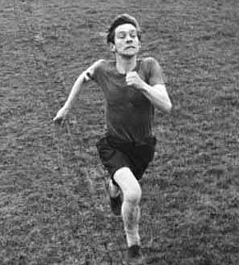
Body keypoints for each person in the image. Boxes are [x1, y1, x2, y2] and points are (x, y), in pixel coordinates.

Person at [53, 14, 172, 264]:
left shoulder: (149, 67)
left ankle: (112, 187)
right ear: (112, 46)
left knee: (124, 187)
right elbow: (82, 78)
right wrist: (66, 108)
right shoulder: (102, 68)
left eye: (133, 35)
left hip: (143, 147)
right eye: (122, 36)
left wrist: (142, 85)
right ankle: (133, 243)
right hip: (113, 145)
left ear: (138, 43)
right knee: (134, 193)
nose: (129, 38)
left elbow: (166, 105)